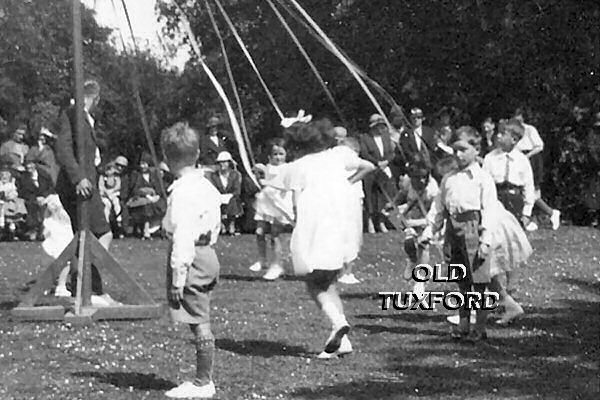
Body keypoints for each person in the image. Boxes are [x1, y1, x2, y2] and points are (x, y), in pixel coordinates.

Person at [264, 118, 375, 359]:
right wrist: (345, 185)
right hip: (343, 225)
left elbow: (272, 178)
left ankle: (338, 322)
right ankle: (342, 341)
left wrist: (259, 170)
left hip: (318, 228)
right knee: (328, 281)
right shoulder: (338, 155)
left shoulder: (300, 166)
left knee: (314, 282)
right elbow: (369, 166)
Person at [160, 121, 222, 399]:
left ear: (166, 157)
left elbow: (183, 238)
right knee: (200, 316)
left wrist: (178, 278)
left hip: (192, 257)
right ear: (197, 154)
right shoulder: (205, 185)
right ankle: (202, 378)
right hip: (208, 253)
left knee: (199, 320)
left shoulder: (183, 193)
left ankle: (203, 382)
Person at [419, 126, 497, 342]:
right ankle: (463, 323)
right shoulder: (449, 178)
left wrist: (486, 240)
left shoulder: (482, 178)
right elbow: (439, 208)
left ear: (476, 149)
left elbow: (490, 210)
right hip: (454, 230)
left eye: (463, 149)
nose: (458, 154)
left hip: (475, 229)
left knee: (478, 282)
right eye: (455, 149)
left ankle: (479, 328)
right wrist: (429, 230)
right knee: (461, 279)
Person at [54, 79, 114, 301]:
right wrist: (79, 178)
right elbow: (63, 149)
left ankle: (85, 285)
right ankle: (83, 283)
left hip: (88, 186)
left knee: (86, 236)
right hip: (78, 187)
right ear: (95, 98)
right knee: (101, 234)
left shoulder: (87, 119)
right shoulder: (71, 114)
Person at [249, 138, 294, 281]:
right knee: (259, 231)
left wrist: (267, 182)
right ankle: (262, 260)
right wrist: (259, 171)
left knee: (275, 235)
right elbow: (262, 175)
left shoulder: (288, 169)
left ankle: (277, 265)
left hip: (279, 202)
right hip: (265, 202)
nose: (278, 157)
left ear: (286, 155)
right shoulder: (268, 167)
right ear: (270, 156)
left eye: (281, 154)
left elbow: (286, 186)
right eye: (275, 154)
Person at [513, 108, 560, 230]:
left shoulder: (529, 129)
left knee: (532, 191)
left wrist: (527, 156)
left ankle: (550, 213)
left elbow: (539, 146)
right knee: (523, 190)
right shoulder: (512, 131)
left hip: (531, 159)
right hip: (518, 159)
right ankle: (531, 219)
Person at [483, 118, 535, 225]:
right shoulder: (490, 158)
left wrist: (526, 213)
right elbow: (485, 184)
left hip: (515, 201)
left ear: (514, 140)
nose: (498, 136)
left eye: (503, 134)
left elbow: (529, 187)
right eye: (498, 133)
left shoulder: (522, 160)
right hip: (496, 200)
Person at [336, 135, 367, 285]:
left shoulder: (334, 159)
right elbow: (368, 166)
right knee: (351, 235)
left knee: (342, 235)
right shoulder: (348, 157)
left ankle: (341, 270)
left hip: (342, 199)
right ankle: (346, 272)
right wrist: (351, 181)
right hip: (350, 201)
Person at [359, 114, 396, 233]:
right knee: (370, 196)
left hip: (384, 171)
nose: (381, 129)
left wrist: (386, 161)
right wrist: (377, 162)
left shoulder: (386, 137)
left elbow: (391, 152)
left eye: (382, 126)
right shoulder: (364, 137)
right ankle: (370, 222)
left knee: (383, 197)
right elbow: (364, 153)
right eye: (378, 126)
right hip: (371, 170)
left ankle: (381, 222)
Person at [125, 153, 166, 240]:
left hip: (153, 197)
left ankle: (161, 230)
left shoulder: (153, 175)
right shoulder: (136, 175)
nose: (142, 166)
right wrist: (146, 195)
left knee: (162, 205)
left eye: (144, 163)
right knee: (147, 207)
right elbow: (134, 190)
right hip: (139, 198)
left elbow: (158, 187)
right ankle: (146, 231)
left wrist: (157, 196)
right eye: (141, 163)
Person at [18, 158, 55, 240]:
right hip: (31, 199)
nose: (29, 166)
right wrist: (36, 198)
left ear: (35, 165)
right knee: (32, 206)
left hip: (45, 198)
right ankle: (33, 230)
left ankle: (44, 230)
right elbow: (22, 191)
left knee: (48, 207)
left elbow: (51, 188)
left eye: (31, 164)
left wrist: (43, 197)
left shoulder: (44, 175)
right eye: (27, 165)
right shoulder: (23, 177)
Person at [208, 151, 243, 235]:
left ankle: (231, 223)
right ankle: (222, 224)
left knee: (232, 200)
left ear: (229, 163)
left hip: (231, 197)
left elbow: (237, 190)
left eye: (224, 162)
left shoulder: (235, 175)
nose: (221, 164)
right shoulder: (214, 176)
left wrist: (230, 195)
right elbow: (212, 189)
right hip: (218, 197)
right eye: (220, 162)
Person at [0, 165, 27, 240]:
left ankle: (12, 230)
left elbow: (14, 193)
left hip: (9, 204)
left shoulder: (11, 185)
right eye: (2, 175)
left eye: (6, 175)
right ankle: (2, 229)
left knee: (12, 214)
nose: (4, 177)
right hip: (1, 203)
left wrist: (10, 196)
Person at [99, 161, 124, 236]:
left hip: (114, 193)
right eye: (108, 170)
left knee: (116, 203)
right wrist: (106, 192)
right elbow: (101, 186)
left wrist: (112, 191)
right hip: (105, 195)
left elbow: (118, 186)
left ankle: (118, 218)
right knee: (107, 205)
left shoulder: (116, 177)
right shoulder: (103, 177)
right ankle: (106, 222)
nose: (110, 172)